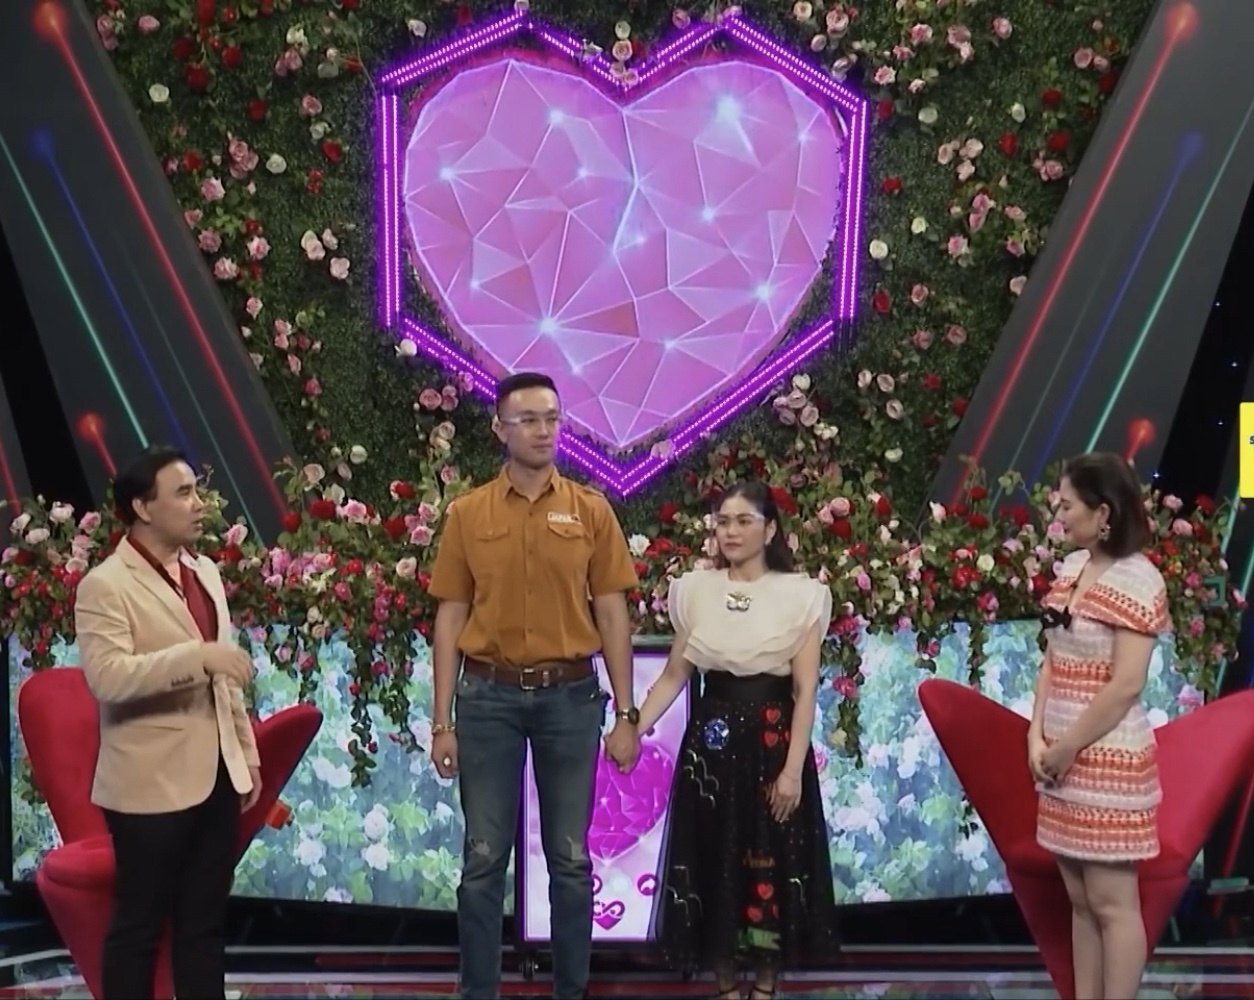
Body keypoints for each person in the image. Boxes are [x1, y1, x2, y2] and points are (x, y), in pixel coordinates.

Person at [426, 372, 641, 1000]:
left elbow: (612, 613)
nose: (544, 431)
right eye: (528, 420)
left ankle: (571, 991)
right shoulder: (469, 514)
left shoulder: (591, 510)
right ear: (500, 429)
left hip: (569, 699)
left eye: (552, 418)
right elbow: (450, 618)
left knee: (570, 859)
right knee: (482, 858)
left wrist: (626, 714)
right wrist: (442, 721)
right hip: (487, 698)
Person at [634, 480, 838, 1000]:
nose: (731, 531)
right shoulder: (696, 591)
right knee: (714, 860)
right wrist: (633, 727)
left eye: (744, 521)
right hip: (712, 748)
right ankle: (724, 985)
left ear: (769, 530)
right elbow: (675, 676)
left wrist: (792, 771)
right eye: (723, 521)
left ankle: (766, 984)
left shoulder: (802, 597)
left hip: (773, 746)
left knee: (770, 859)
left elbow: (805, 690)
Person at [73, 446, 262, 1000]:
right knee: (139, 926)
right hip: (149, 785)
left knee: (203, 927)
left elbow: (224, 678)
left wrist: (245, 753)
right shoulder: (106, 585)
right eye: (183, 493)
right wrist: (196, 658)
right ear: (142, 507)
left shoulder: (205, 572)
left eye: (196, 491)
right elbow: (108, 678)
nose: (199, 503)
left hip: (217, 776)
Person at [1030, 452, 1169, 1000]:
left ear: (1103, 512)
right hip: (1059, 764)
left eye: (1067, 506)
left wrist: (1067, 746)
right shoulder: (1071, 570)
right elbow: (1052, 661)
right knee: (1082, 902)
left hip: (1107, 764)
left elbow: (1126, 684)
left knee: (1113, 904)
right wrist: (1036, 735)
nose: (1059, 516)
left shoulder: (1139, 579)